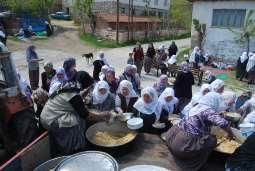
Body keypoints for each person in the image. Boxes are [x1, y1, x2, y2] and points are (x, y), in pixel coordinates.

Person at [40, 80, 111, 157]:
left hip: (46, 118)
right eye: (86, 87)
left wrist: (86, 91)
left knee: (77, 116)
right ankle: (74, 149)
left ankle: (66, 147)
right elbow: (87, 116)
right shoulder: (73, 96)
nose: (87, 90)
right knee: (76, 120)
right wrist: (102, 115)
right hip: (53, 121)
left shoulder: (65, 90)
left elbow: (78, 97)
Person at [166, 92, 233, 171]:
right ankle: (194, 164)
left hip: (172, 138)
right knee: (212, 140)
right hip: (183, 146)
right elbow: (223, 123)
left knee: (206, 137)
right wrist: (230, 134)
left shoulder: (197, 106)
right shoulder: (208, 110)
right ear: (215, 101)